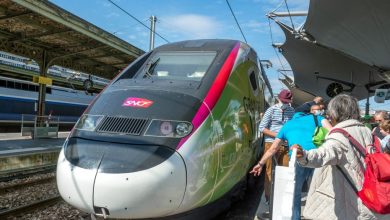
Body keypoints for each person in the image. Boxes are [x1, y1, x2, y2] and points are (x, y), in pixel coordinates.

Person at [293, 94, 389, 220]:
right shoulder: (370, 134)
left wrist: (304, 155)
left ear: (335, 113)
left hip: (351, 203)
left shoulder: (339, 136)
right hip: (374, 197)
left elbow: (323, 154)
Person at [251, 104, 332, 220]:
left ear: (294, 116)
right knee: (319, 192)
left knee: (295, 194)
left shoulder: (287, 125)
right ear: (307, 113)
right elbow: (333, 133)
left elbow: (273, 149)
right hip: (316, 158)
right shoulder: (317, 118)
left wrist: (260, 164)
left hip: (297, 159)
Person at [257, 89, 295, 215]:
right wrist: (279, 135)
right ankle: (269, 197)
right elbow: (262, 128)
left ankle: (282, 196)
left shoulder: (292, 111)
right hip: (271, 143)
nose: (285, 103)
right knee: (269, 171)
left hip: (285, 145)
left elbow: (292, 127)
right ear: (279, 99)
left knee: (284, 170)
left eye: (287, 101)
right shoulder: (271, 110)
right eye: (284, 101)